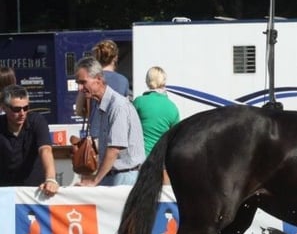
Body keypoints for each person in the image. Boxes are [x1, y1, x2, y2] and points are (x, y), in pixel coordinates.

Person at [72, 56, 145, 186]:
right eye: (78, 83)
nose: (80, 88)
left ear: (99, 79)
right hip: (114, 176)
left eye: (83, 82)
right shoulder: (104, 105)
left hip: (124, 178)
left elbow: (114, 149)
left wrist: (95, 181)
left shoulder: (117, 106)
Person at [0, 84, 60, 196]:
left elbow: (45, 149)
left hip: (35, 191)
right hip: (5, 191)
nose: (22, 113)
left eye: (26, 108)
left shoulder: (37, 121)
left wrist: (51, 179)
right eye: (16, 109)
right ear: (4, 108)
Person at [133, 66, 180, 155]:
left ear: (148, 81)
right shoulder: (173, 107)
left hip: (140, 157)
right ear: (164, 81)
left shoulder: (139, 102)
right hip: (160, 159)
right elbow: (176, 138)